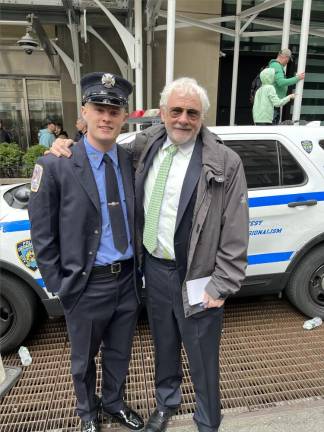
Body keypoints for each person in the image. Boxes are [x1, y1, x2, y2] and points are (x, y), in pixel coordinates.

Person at [49, 77, 249, 432]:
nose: (183, 119)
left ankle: (207, 421)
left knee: (202, 356)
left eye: (192, 112)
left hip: (198, 276)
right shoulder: (146, 145)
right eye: (176, 111)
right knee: (165, 346)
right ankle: (166, 404)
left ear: (202, 116)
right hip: (153, 270)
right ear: (162, 113)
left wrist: (222, 284)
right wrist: (65, 144)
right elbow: (100, 146)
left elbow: (235, 229)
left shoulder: (223, 161)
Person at [28, 72, 144, 432]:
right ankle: (87, 413)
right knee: (83, 360)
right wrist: (58, 284)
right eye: (99, 108)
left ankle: (113, 403)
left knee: (120, 353)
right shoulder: (55, 164)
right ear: (84, 113)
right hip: (84, 284)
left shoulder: (129, 160)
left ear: (124, 117)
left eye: (114, 110)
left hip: (126, 279)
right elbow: (42, 232)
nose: (106, 117)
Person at [269, 48, 305, 124]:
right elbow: (281, 82)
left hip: (272, 103)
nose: (287, 62)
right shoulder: (277, 66)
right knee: (272, 126)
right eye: (288, 59)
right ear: (285, 57)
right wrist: (297, 78)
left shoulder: (273, 65)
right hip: (273, 104)